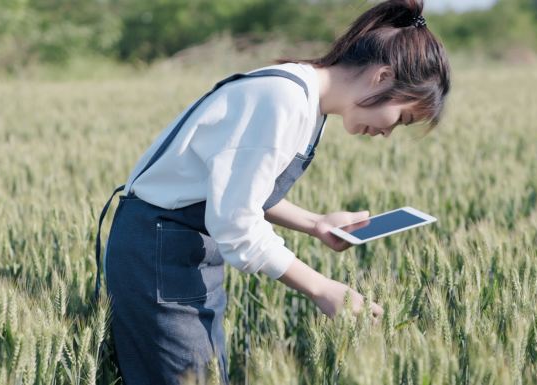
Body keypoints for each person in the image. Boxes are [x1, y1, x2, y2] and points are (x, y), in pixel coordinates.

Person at [95, 0, 451, 383]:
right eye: (401, 118)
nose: (387, 133)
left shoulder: (308, 103)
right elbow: (235, 222)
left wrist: (316, 223)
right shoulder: (282, 100)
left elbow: (238, 192)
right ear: (382, 77)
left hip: (185, 250)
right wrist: (321, 288)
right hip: (157, 254)